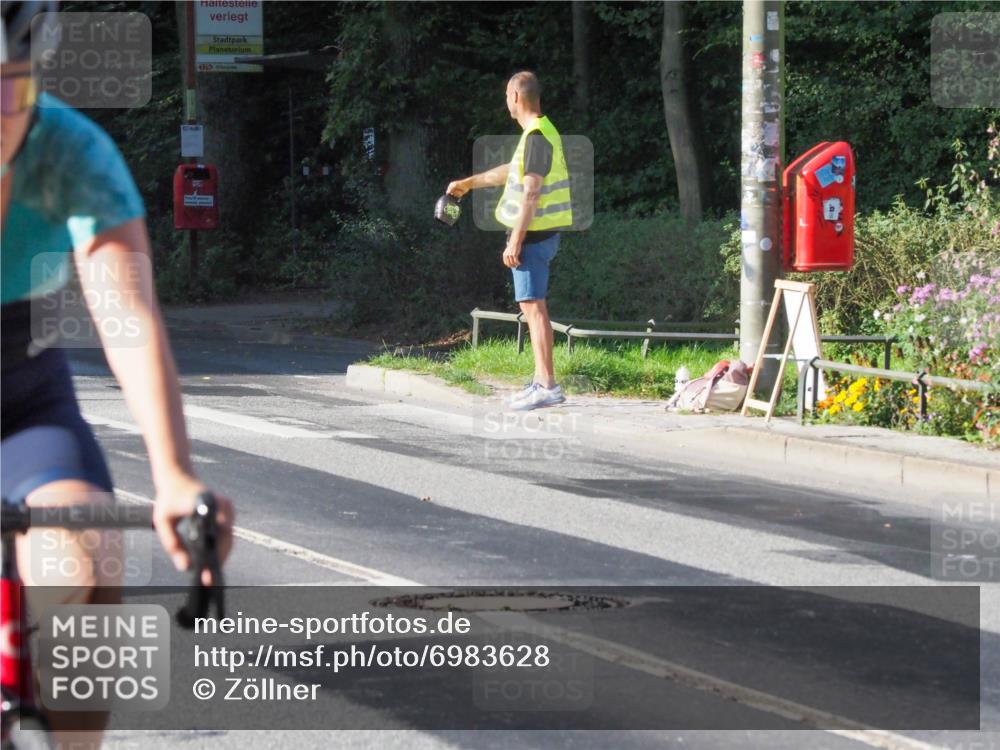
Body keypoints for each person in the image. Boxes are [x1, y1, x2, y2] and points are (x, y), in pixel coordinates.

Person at [1, 3, 234, 746]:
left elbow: (126, 313)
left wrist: (174, 475)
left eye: (10, 88)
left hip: (23, 399)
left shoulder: (71, 150)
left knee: (86, 559)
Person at [448, 71, 573, 411]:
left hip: (533, 237)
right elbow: (512, 170)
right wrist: (469, 183)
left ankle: (547, 385)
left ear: (516, 97)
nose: (506, 101)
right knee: (532, 306)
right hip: (539, 235)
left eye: (506, 95)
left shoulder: (536, 136)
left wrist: (515, 241)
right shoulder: (537, 134)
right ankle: (540, 381)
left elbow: (531, 192)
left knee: (534, 308)